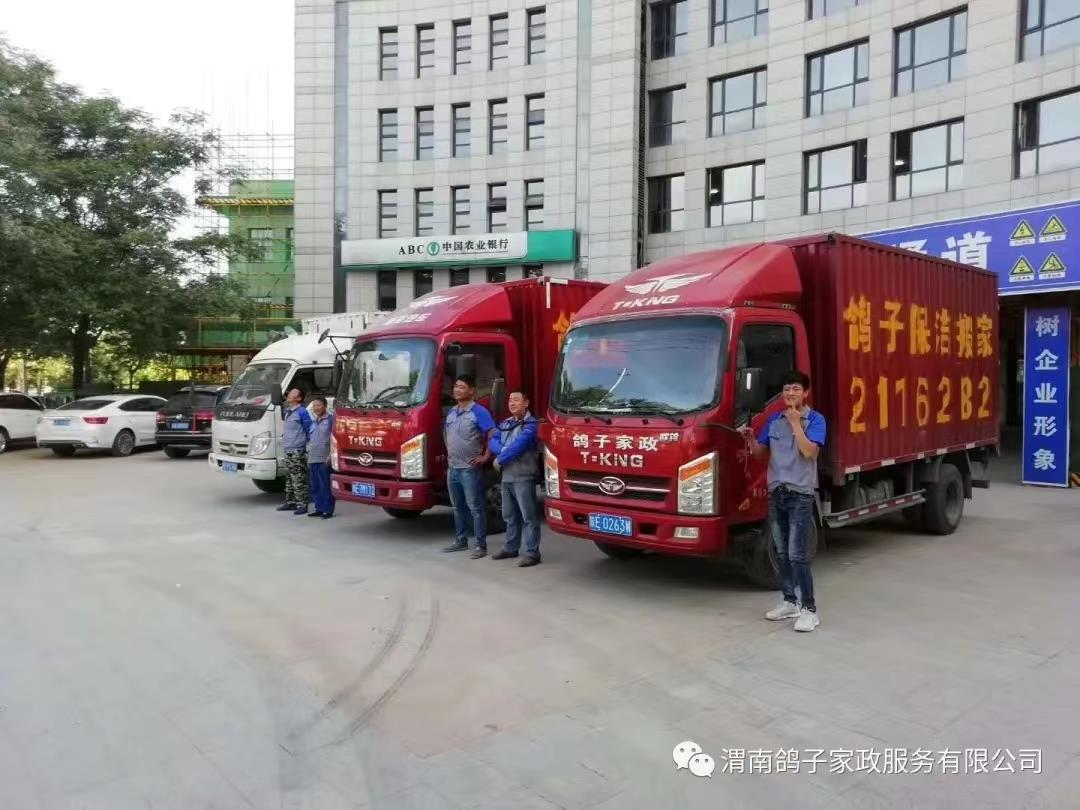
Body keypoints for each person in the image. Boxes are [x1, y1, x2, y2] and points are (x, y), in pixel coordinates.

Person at [739, 370, 826, 633]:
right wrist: (750, 439)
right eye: (786, 389)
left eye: (796, 389)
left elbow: (810, 453)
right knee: (781, 552)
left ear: (805, 393)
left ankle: (809, 610)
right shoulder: (774, 421)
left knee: (798, 554)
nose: (790, 393)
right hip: (777, 492)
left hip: (800, 494)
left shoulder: (816, 420)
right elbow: (760, 453)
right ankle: (789, 602)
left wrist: (796, 423)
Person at [442, 374, 496, 558]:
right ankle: (461, 540)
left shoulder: (479, 412)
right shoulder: (452, 412)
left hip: (469, 469)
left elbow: (493, 433)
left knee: (475, 507)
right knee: (457, 507)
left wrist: (486, 456)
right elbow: (446, 433)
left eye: (462, 387)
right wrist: (450, 451)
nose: (457, 390)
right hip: (453, 468)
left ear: (471, 391)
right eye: (456, 386)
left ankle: (480, 545)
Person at [489, 391, 542, 567]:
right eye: (510, 400)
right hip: (507, 476)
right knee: (509, 515)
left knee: (528, 516)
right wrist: (502, 452)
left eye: (516, 400)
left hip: (524, 476)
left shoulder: (531, 424)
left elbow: (519, 445)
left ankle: (532, 552)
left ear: (526, 403)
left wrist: (500, 458)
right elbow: (492, 440)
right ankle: (511, 547)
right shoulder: (506, 423)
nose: (512, 403)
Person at [279, 387, 313, 515]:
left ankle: (302, 504)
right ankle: (290, 502)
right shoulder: (288, 412)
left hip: (297, 451)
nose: (289, 394)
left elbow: (309, 430)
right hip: (288, 449)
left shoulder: (302, 412)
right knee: (289, 477)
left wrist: (307, 448)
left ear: (299, 398)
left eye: (293, 393)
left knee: (299, 478)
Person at [306, 396, 335, 519]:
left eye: (318, 405)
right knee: (315, 485)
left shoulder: (331, 420)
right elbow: (310, 439)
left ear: (325, 406)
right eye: (314, 406)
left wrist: (331, 455)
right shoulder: (314, 421)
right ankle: (319, 508)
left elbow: (335, 439)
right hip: (313, 457)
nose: (316, 408)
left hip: (324, 458)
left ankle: (328, 510)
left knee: (325, 485)